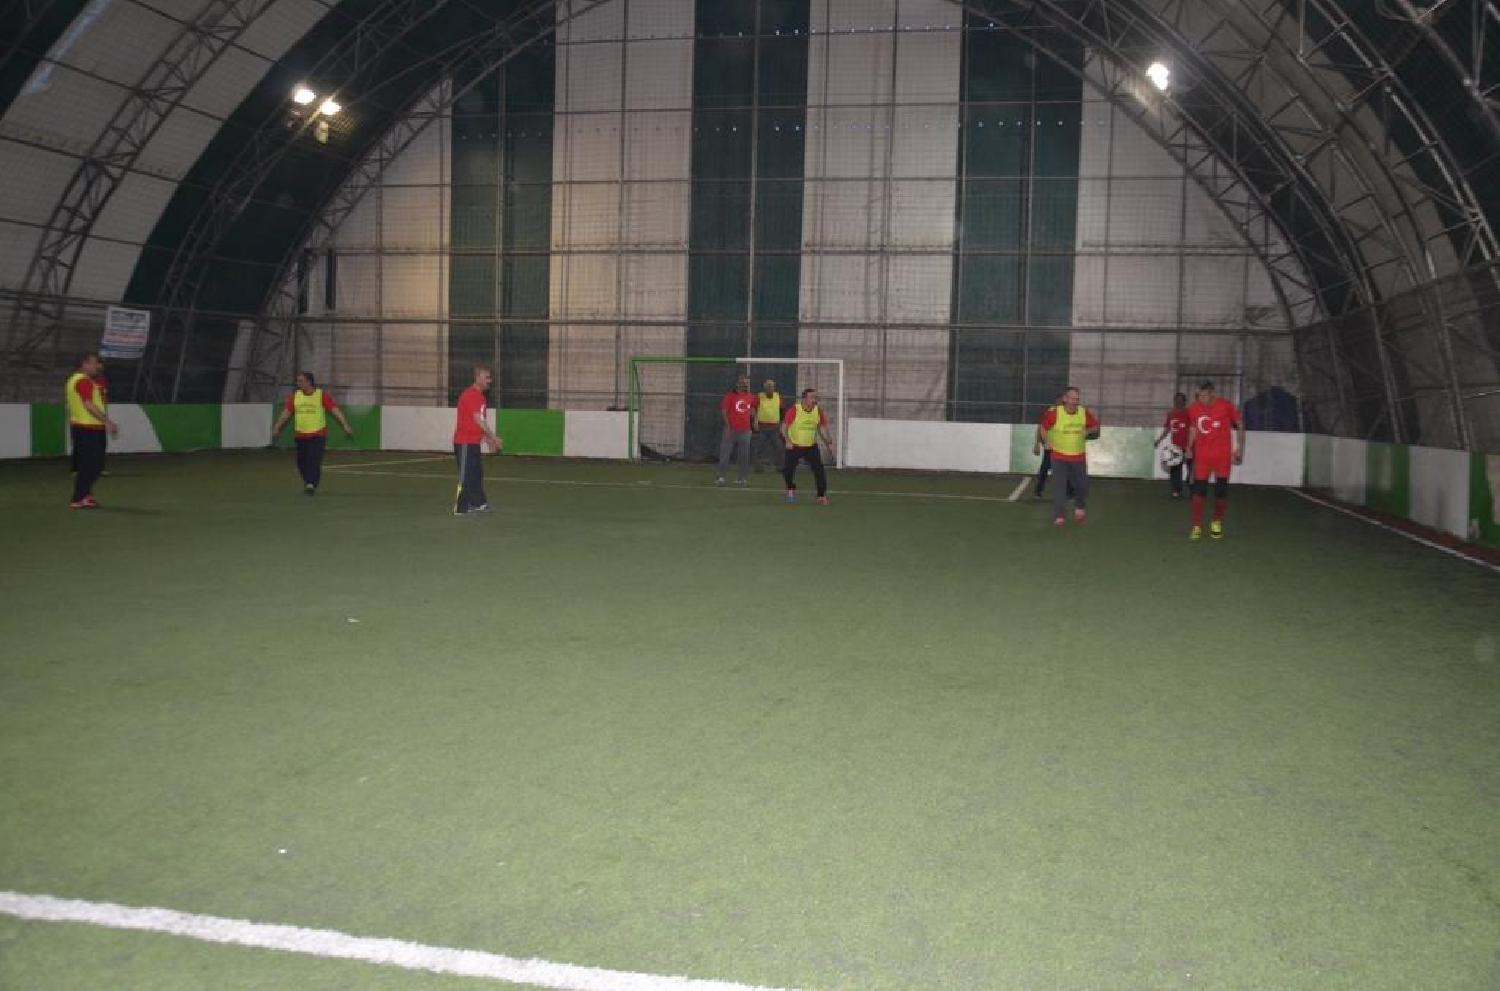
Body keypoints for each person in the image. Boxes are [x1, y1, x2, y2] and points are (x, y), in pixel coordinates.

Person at [270, 371, 354, 494]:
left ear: (309, 382)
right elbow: (286, 413)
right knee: (301, 463)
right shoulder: (295, 396)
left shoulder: (321, 395)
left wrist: (345, 425)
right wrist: (277, 427)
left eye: (301, 381)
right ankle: (308, 481)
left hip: (318, 435)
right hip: (300, 435)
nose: (298, 383)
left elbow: (335, 410)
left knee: (313, 460)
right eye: (297, 381)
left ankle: (311, 483)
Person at [1185, 380, 1245, 540]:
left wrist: (1240, 448)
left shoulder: (1226, 406)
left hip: (1222, 457)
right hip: (1202, 457)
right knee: (1199, 491)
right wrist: (1189, 447)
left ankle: (1216, 523)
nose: (1201, 399)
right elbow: (1193, 428)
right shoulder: (1193, 408)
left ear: (1213, 394)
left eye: (1204, 395)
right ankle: (1196, 525)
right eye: (1198, 396)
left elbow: (1240, 424)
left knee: (1221, 492)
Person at [1035, 386, 1100, 527]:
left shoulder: (1083, 412)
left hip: (1078, 458)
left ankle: (1080, 507)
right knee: (1060, 487)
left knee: (1082, 486)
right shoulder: (1054, 413)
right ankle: (1059, 515)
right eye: (1072, 398)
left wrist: (1088, 430)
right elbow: (1043, 427)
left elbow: (1096, 426)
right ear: (1065, 399)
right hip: (1059, 457)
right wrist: (1046, 441)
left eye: (1077, 399)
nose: (1074, 402)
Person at [64, 352, 118, 509]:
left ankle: (85, 495)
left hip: (87, 427)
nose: (97, 366)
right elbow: (88, 404)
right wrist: (107, 421)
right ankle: (78, 498)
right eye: (94, 363)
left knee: (94, 464)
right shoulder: (82, 381)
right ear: (84, 364)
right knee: (90, 465)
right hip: (87, 428)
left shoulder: (78, 380)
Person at [453, 363, 503, 515]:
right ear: (478, 378)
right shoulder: (471, 395)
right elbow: (478, 420)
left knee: (476, 474)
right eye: (487, 377)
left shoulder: (480, 397)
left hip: (473, 443)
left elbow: (477, 422)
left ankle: (479, 503)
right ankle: (461, 508)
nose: (489, 381)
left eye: (490, 378)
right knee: (466, 475)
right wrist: (493, 437)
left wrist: (487, 439)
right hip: (464, 443)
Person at [781, 387, 835, 505]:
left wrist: (829, 443)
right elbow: (783, 428)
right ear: (804, 399)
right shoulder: (794, 410)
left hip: (811, 447)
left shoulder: (818, 411)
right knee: (787, 470)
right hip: (794, 446)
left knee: (819, 470)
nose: (814, 400)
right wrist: (788, 441)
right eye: (811, 397)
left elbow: (822, 428)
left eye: (815, 397)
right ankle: (790, 488)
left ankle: (821, 495)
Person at [716, 374, 755, 486]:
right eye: (743, 382)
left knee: (744, 456)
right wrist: (728, 426)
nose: (745, 385)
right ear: (737, 384)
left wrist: (755, 420)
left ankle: (742, 478)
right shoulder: (730, 396)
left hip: (745, 431)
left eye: (747, 383)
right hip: (731, 430)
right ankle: (721, 477)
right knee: (725, 455)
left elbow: (752, 408)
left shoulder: (750, 396)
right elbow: (724, 412)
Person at [1153, 391, 1191, 498]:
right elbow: (1167, 429)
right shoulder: (1171, 414)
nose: (1178, 403)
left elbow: (1193, 429)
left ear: (1184, 402)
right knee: (1175, 470)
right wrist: (1159, 440)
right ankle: (1176, 490)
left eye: (1181, 401)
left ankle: (1192, 489)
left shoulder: (1189, 413)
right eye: (1177, 401)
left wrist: (1190, 445)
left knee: (1192, 469)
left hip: (1189, 446)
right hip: (1175, 447)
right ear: (1174, 401)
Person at [750, 378, 784, 471]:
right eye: (768, 386)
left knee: (779, 447)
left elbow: (782, 410)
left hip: (775, 427)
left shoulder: (778, 396)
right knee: (758, 447)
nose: (769, 388)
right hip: (762, 427)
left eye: (771, 386)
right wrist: (755, 420)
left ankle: (780, 467)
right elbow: (753, 408)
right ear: (764, 388)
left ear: (774, 387)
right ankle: (757, 467)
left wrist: (782, 423)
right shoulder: (759, 396)